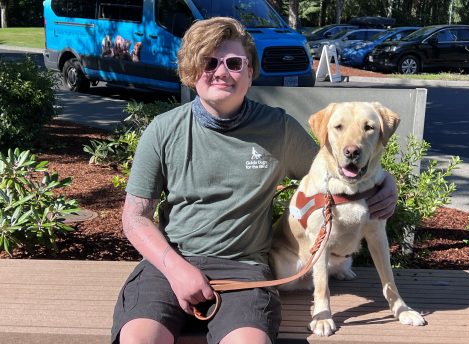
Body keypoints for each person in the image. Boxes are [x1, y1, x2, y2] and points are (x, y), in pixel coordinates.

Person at [111, 16, 398, 344]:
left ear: (250, 73)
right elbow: (135, 218)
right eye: (208, 62)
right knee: (139, 340)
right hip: (171, 263)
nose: (221, 72)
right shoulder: (163, 130)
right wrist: (177, 270)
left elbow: (334, 170)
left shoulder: (279, 129)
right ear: (191, 71)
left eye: (234, 63)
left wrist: (386, 182)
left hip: (245, 269)